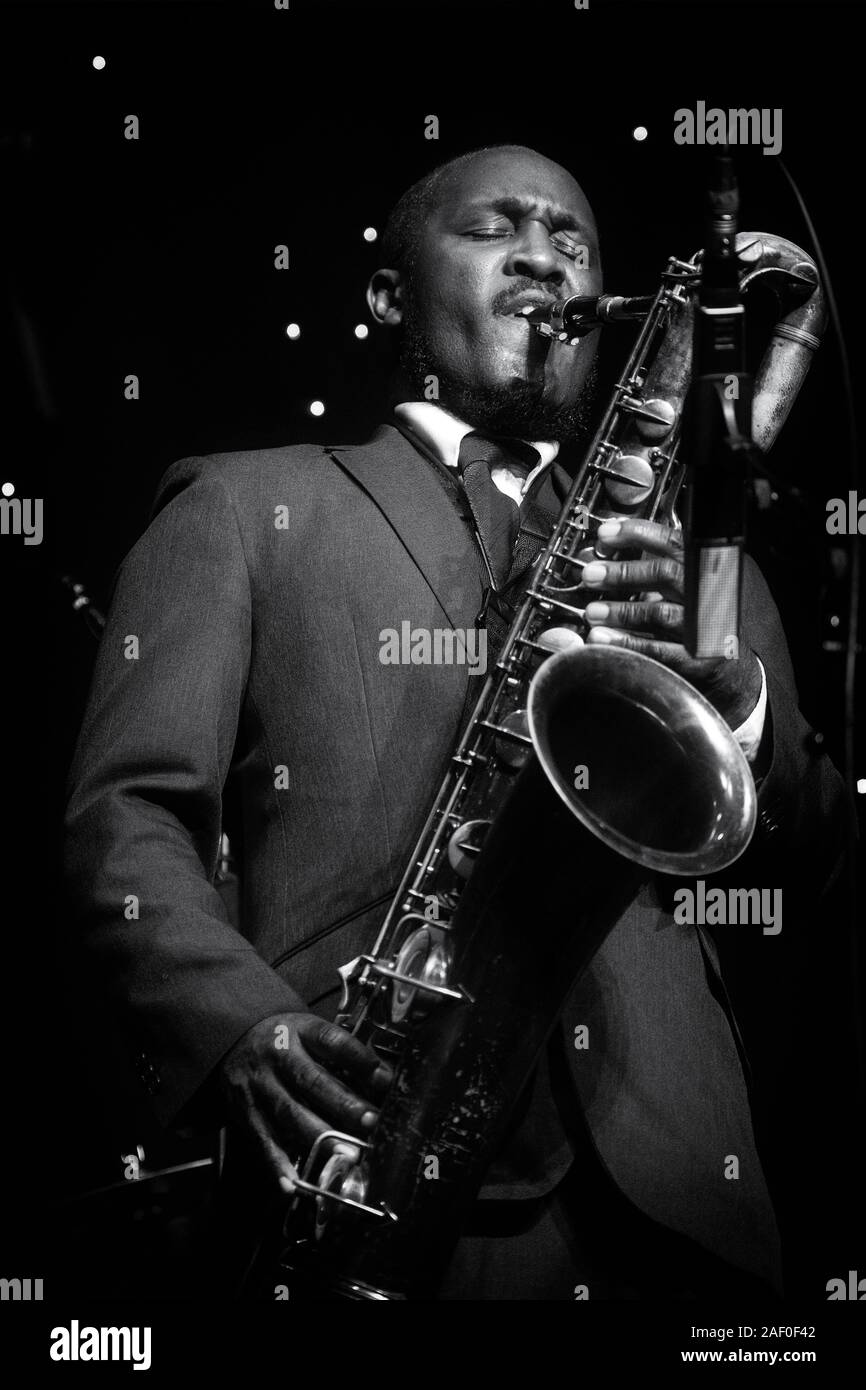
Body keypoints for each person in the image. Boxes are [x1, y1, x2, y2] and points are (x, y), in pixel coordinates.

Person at [63, 143, 846, 1300]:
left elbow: (812, 841)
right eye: (496, 230)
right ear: (388, 295)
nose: (544, 257)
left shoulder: (690, 553)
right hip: (366, 1166)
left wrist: (731, 689)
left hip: (681, 1212)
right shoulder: (239, 504)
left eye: (573, 241)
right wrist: (239, 1032)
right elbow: (121, 823)